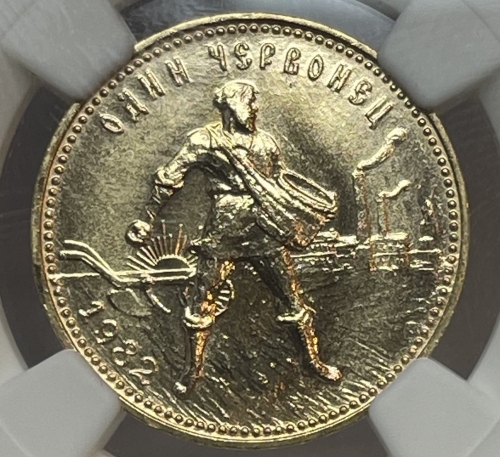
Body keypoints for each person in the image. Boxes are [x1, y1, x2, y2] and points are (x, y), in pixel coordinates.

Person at [128, 80, 341, 395]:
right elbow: (169, 178)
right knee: (201, 301)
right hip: (224, 229)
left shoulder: (266, 142)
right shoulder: (205, 141)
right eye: (250, 101)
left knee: (291, 297)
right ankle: (194, 372)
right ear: (232, 104)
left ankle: (312, 361)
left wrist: (307, 205)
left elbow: (281, 182)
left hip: (265, 228)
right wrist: (147, 220)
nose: (255, 108)